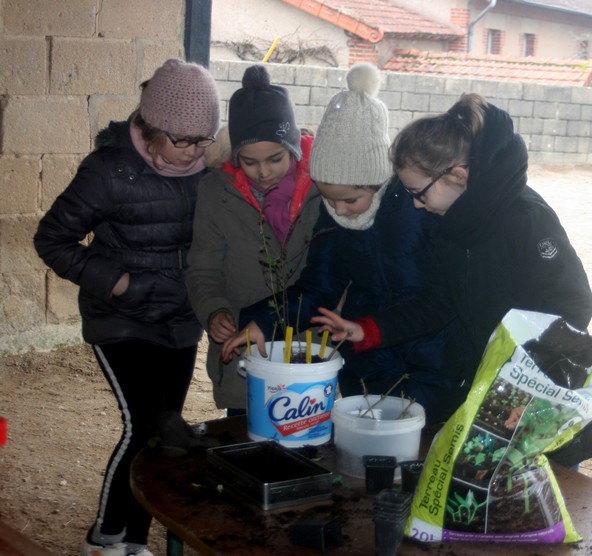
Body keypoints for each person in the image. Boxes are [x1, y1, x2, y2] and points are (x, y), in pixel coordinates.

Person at [310, 92, 592, 467]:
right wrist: (369, 330)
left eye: (418, 193)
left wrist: (527, 387)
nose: (416, 205)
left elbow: (572, 306)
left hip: (547, 396)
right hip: (494, 393)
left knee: (550, 503)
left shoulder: (526, 218)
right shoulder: (452, 225)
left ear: (457, 175)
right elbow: (440, 301)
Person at [33, 58, 220, 556]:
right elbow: (52, 239)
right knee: (143, 424)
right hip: (121, 316)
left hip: (180, 319)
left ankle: (132, 542)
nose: (194, 153)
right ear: (150, 129)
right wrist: (118, 283)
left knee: (168, 428)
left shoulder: (210, 172)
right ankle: (104, 537)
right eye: (183, 142)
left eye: (204, 141)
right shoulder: (109, 171)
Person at [222, 63, 473, 423]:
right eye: (327, 199)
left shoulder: (421, 211)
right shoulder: (335, 217)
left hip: (435, 366)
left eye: (349, 200)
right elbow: (318, 285)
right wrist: (265, 321)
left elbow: (442, 299)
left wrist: (373, 329)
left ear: (376, 180)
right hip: (367, 369)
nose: (339, 210)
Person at [185, 64, 321, 415]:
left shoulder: (324, 186)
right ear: (235, 156)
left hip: (312, 352)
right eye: (249, 161)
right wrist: (214, 310)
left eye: (275, 159)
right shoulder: (217, 193)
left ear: (292, 146)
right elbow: (203, 269)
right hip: (245, 354)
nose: (263, 172)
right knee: (245, 445)